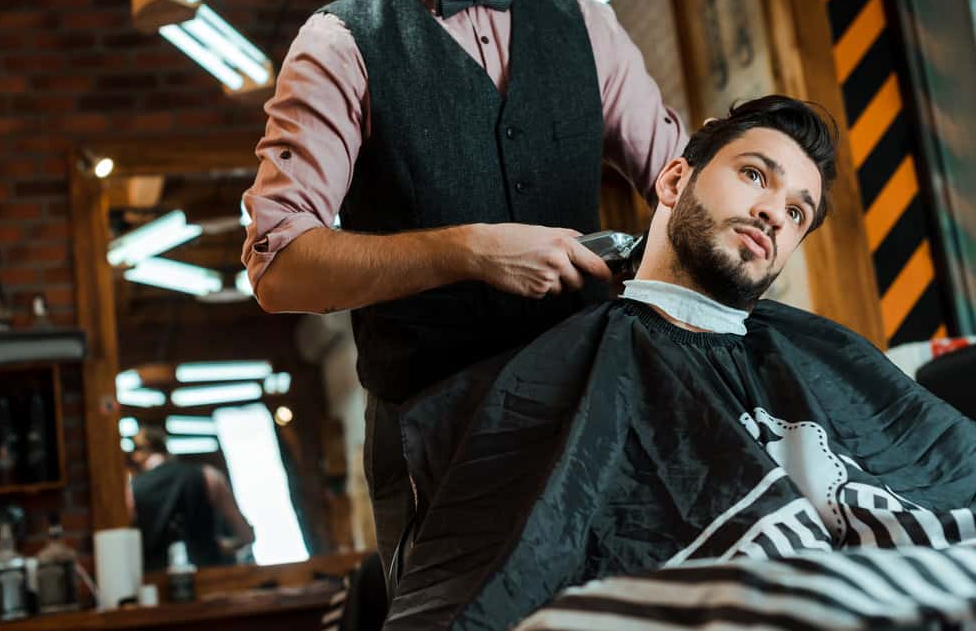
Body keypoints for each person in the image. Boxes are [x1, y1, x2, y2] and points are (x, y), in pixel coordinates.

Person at [383, 95, 976, 630]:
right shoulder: (567, 370)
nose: (774, 212)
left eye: (797, 213)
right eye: (753, 175)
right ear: (672, 180)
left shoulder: (825, 354)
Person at [241, 0, 687, 574]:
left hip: (589, 416)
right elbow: (280, 265)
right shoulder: (338, 44)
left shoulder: (586, 22)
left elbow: (680, 196)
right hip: (436, 439)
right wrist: (468, 251)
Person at [126, 427, 255, 571]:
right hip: (210, 576)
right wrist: (227, 545)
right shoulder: (208, 475)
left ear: (137, 456)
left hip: (159, 583)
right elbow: (245, 535)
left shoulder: (131, 491)